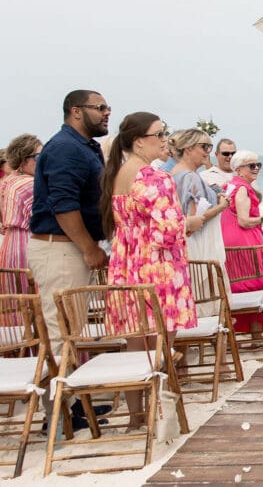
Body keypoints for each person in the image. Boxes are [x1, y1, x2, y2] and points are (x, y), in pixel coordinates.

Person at [100, 112, 197, 428]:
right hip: (157, 267)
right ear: (139, 140)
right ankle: (161, 412)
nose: (165, 138)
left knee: (134, 344)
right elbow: (168, 231)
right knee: (161, 346)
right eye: (160, 133)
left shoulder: (116, 174)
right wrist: (188, 222)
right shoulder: (154, 177)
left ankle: (136, 416)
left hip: (126, 264)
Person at [28, 90, 111, 352]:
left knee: (70, 329)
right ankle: (60, 392)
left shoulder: (83, 146)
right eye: (100, 107)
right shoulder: (66, 148)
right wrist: (89, 248)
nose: (106, 113)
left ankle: (65, 390)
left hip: (70, 247)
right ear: (76, 111)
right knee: (62, 332)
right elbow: (63, 204)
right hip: (62, 248)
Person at [169, 130, 229, 314]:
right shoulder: (190, 177)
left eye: (210, 147)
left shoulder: (172, 174)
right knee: (206, 298)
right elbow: (195, 218)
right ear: (188, 149)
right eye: (204, 147)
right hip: (200, 243)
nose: (208, 152)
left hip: (182, 243)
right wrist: (221, 205)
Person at [220, 150, 263, 333]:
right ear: (238, 169)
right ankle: (255, 332)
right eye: (251, 166)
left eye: (258, 165)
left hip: (228, 238)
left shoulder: (230, 185)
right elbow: (243, 220)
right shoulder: (243, 188)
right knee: (255, 282)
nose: (256, 169)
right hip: (245, 240)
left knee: (237, 283)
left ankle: (241, 329)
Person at [0, 134, 43, 272]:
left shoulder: (10, 181)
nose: (42, 161)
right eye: (38, 157)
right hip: (26, 245)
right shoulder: (29, 184)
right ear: (23, 160)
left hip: (11, 243)